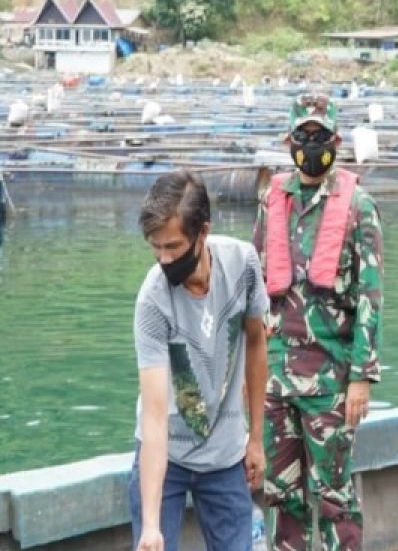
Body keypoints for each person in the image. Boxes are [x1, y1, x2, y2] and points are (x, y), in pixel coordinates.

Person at [253, 93, 384, 551]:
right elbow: (255, 284)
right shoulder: (273, 201)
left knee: (333, 498)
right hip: (276, 381)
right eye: (303, 136)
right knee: (280, 495)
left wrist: (362, 378)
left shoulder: (359, 206)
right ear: (290, 140)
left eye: (320, 136)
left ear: (336, 140)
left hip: (331, 379)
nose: (311, 145)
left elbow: (370, 297)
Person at [131, 171, 268, 551]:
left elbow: (257, 343)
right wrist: (151, 526)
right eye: (155, 248)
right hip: (167, 455)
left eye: (173, 247)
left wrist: (255, 437)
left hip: (225, 455)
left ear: (202, 231)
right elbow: (155, 417)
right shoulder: (152, 301)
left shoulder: (242, 264)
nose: (164, 259)